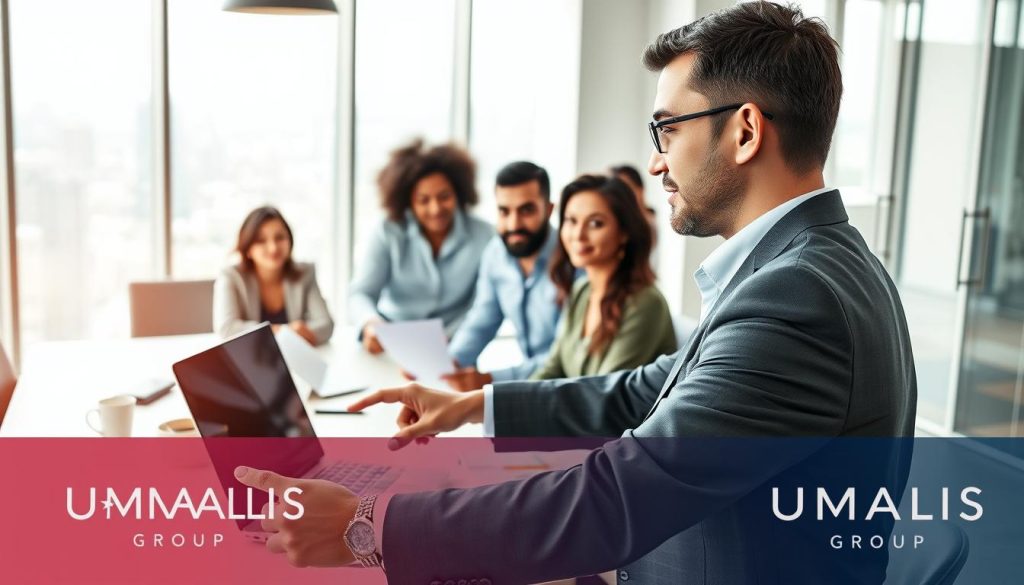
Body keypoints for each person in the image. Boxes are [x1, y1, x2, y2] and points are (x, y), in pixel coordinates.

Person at [234, 3, 918, 583]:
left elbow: (619, 495)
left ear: (744, 131)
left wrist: (367, 524)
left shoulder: (798, 296)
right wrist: (474, 403)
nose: (655, 159)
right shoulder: (816, 263)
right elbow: (647, 389)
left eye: (667, 129)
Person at [348, 139, 494, 353]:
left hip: (455, 346)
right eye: (423, 200)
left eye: (444, 197)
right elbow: (361, 293)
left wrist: (454, 339)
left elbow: (483, 303)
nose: (435, 209)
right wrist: (370, 323)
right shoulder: (387, 232)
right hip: (391, 344)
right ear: (408, 202)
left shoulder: (484, 235)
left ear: (459, 194)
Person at [530, 174, 675, 380]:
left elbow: (601, 394)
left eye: (595, 223)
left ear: (624, 232)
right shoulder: (581, 290)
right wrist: (503, 406)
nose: (578, 235)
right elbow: (552, 369)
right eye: (571, 221)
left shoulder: (645, 302)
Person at [443, 161, 562, 391]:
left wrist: (490, 380)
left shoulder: (575, 261)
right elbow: (482, 320)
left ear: (548, 210)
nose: (513, 224)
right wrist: (450, 364)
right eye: (504, 211)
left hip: (568, 388)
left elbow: (564, 359)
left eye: (526, 210)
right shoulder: (496, 253)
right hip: (531, 387)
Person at [213, 206, 334, 346]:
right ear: (248, 249)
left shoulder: (305, 273)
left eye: (280, 237)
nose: (273, 248)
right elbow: (227, 328)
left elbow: (326, 324)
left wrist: (299, 333)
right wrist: (283, 331)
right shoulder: (231, 276)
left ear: (290, 240)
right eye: (261, 240)